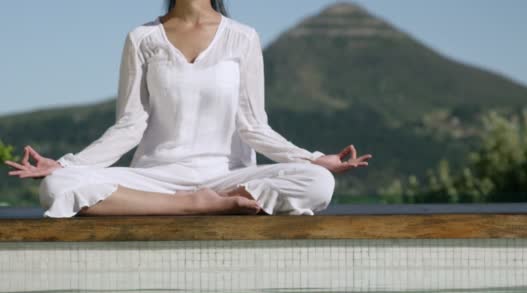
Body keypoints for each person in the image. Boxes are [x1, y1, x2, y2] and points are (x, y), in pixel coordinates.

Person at [4, 0, 372, 218]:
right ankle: (195, 205)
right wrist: (68, 165)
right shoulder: (143, 39)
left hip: (229, 179)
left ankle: (219, 201)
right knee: (56, 187)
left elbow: (253, 125)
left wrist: (312, 159)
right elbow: (130, 126)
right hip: (156, 179)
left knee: (318, 183)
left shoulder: (242, 37)